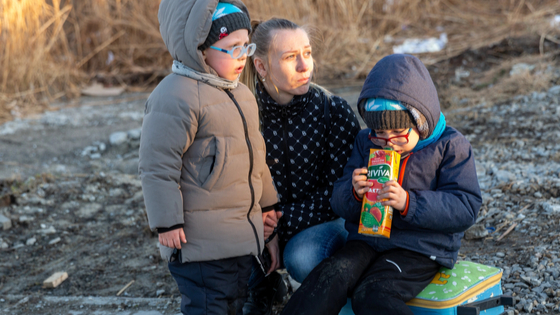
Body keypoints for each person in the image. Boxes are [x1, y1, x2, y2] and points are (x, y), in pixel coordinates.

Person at [280, 54, 482, 315]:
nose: (388, 143)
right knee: (329, 276)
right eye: (380, 134)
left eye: (398, 135)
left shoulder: (450, 146)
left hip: (419, 249)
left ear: (420, 122)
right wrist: (353, 192)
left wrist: (409, 203)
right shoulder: (366, 142)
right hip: (367, 240)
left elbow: (465, 207)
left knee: (372, 293)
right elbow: (338, 202)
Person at [138, 1, 278, 314]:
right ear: (200, 49)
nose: (243, 56)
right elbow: (157, 166)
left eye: (246, 46)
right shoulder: (175, 95)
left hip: (238, 235)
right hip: (198, 242)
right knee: (208, 306)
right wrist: (167, 222)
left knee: (235, 300)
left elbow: (256, 156)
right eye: (232, 48)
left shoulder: (240, 93)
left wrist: (268, 205)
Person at [239, 18, 361, 314]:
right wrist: (263, 227)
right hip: (259, 226)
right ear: (262, 67)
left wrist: (280, 223)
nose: (305, 66)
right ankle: (262, 286)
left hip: (321, 224)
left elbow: (339, 194)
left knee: (304, 257)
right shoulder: (242, 115)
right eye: (291, 57)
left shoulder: (333, 111)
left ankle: (329, 288)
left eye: (307, 53)